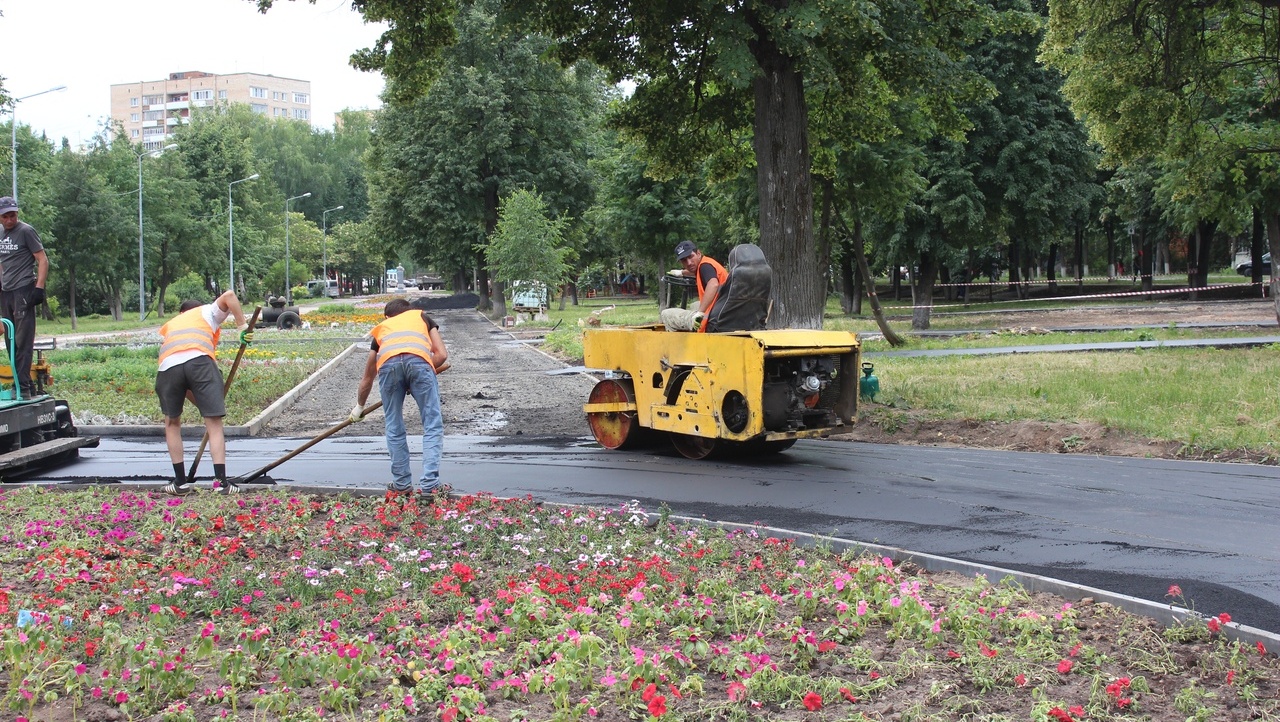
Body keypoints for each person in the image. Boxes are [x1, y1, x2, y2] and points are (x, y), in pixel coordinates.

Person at [350, 298, 450, 500]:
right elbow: (441, 355)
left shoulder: (382, 329)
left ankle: (402, 485)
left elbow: (368, 376)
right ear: (409, 311)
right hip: (420, 364)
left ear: (388, 317)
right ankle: (430, 486)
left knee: (394, 426)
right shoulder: (422, 317)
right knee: (432, 424)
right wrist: (416, 377)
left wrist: (359, 407)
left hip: (388, 368)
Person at [157, 291, 253, 495]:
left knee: (172, 423)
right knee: (214, 423)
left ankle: (180, 483)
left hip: (167, 367)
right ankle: (220, 484)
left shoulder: (172, 324)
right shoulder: (207, 311)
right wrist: (242, 326)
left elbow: (185, 380)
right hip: (200, 362)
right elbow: (229, 295)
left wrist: (207, 402)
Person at [0, 196, 49, 399]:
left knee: (22, 340)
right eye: (6, 216)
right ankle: (19, 384)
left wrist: (39, 288)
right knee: (10, 339)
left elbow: (42, 259)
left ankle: (24, 388)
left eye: (13, 215)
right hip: (6, 291)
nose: (10, 219)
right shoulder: (1, 233)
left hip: (23, 290)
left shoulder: (26, 231)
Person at [659, 240, 727, 332]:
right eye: (684, 260)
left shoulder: (704, 267)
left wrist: (700, 313)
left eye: (690, 257)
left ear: (698, 253)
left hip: (710, 318)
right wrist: (681, 273)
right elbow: (696, 272)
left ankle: (682, 345)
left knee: (666, 314)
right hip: (722, 310)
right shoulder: (708, 264)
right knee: (693, 305)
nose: (689, 263)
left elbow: (713, 284)